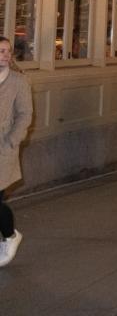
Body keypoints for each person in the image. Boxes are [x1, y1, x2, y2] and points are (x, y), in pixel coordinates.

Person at [0, 36, 31, 267]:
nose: (5, 55)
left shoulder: (19, 81)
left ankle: (10, 236)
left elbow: (25, 115)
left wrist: (12, 140)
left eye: (7, 51)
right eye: (1, 50)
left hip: (3, 148)